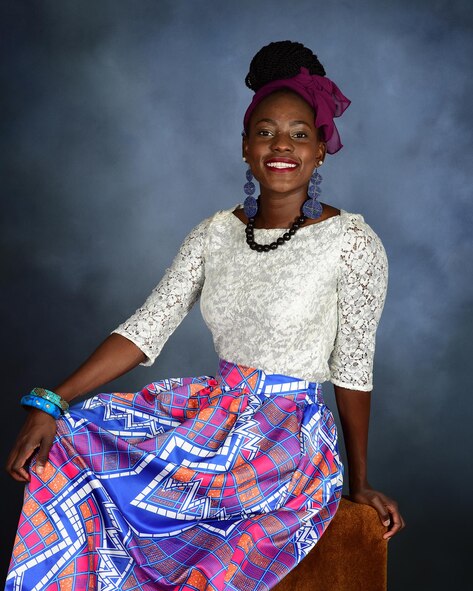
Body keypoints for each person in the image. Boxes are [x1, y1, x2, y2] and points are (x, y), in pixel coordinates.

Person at [5, 40, 405, 591]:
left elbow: (354, 370)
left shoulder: (352, 243)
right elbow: (146, 329)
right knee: (74, 435)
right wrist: (53, 400)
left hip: (287, 441)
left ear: (320, 151)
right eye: (265, 132)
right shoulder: (214, 234)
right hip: (213, 419)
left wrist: (358, 484)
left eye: (299, 133)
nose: (281, 145)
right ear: (245, 146)